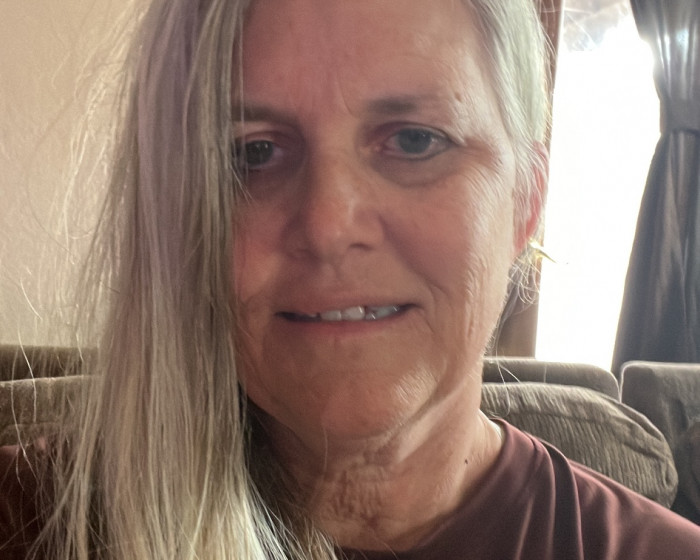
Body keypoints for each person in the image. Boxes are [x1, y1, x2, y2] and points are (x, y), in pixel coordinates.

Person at [1, 0, 700, 558]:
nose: (329, 225)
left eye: (415, 140)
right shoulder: (23, 519)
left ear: (524, 202)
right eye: (253, 152)